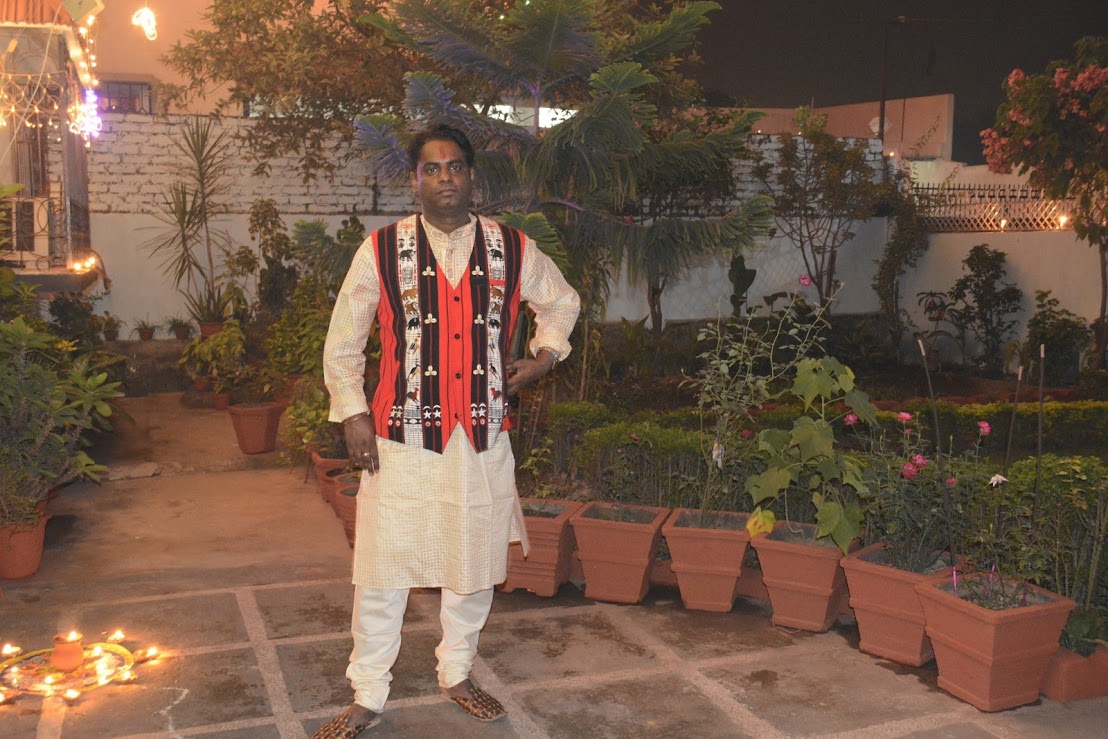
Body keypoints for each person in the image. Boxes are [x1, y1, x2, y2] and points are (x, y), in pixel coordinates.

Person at [316, 123, 580, 738]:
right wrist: (353, 412)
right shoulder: (382, 250)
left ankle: (457, 672)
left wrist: (544, 357)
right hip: (401, 438)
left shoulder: (511, 247)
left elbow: (561, 302)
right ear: (415, 180)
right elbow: (344, 339)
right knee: (383, 568)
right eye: (431, 168)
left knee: (473, 560)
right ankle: (368, 691)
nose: (445, 178)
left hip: (481, 435)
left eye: (455, 166)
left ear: (471, 175)